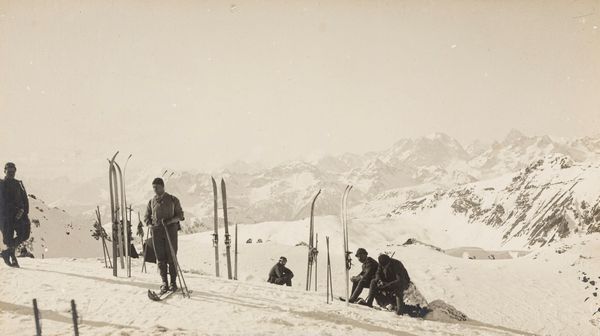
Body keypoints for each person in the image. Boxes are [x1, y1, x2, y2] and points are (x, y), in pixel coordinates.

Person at [144, 177, 184, 294]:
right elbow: (146, 217)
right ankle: (164, 283)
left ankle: (173, 282)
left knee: (171, 256)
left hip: (170, 231)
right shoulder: (151, 202)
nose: (155, 190)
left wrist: (170, 221)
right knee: (160, 259)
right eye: (153, 188)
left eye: (157, 187)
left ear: (163, 187)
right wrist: (150, 224)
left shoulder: (172, 199)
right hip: (156, 232)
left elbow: (180, 215)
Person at [0, 162, 31, 268]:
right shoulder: (1, 184)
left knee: (24, 234)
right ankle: (12, 259)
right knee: (8, 239)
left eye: (13, 171)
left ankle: (7, 253)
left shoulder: (19, 184)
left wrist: (24, 212)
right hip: (6, 217)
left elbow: (24, 199)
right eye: (9, 171)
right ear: (4, 171)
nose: (11, 173)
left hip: (19, 216)